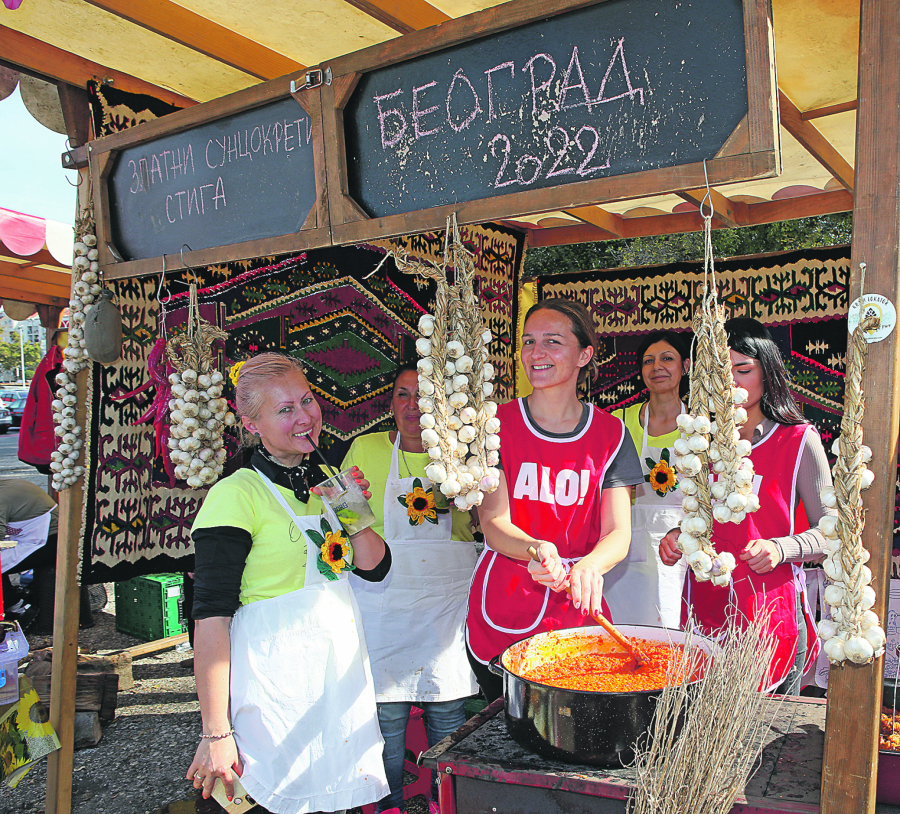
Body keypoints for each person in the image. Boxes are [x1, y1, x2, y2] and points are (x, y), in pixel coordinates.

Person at [187, 353, 391, 813]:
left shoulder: (325, 480)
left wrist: (353, 512)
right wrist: (216, 732)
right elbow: (211, 621)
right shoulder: (235, 495)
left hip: (332, 688)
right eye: (284, 410)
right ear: (251, 424)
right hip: (270, 693)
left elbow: (376, 568)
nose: (305, 417)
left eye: (308, 400)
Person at [466, 298, 643, 702]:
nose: (536, 353)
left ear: (585, 354)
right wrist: (535, 548)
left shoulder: (611, 435)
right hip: (508, 597)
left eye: (553, 341)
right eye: (528, 341)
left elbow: (618, 532)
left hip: (577, 603)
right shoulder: (494, 427)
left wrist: (590, 567)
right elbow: (493, 524)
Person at [660, 318, 834, 694]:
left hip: (770, 611)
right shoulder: (697, 442)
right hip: (705, 609)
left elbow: (833, 534)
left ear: (767, 372)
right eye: (721, 373)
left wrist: (780, 548)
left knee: (766, 744)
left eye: (743, 369)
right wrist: (679, 537)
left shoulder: (798, 440)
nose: (731, 382)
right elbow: (701, 520)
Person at [342, 363, 478, 814]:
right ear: (391, 404)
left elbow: (479, 523)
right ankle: (388, 806)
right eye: (403, 395)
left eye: (423, 396)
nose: (412, 406)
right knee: (386, 719)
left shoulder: (461, 455)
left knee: (448, 714)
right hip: (385, 602)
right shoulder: (365, 448)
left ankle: (450, 805)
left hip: (444, 604)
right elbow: (343, 516)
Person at [605, 330, 692, 628]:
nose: (657, 367)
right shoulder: (619, 422)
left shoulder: (701, 426)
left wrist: (686, 533)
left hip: (678, 550)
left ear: (686, 366)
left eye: (667, 359)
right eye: (648, 361)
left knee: (668, 634)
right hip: (624, 553)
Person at [0, 478, 92, 631]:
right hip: (41, 538)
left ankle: (17, 607)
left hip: (52, 542)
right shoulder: (7, 486)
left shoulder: (4, 495)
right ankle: (13, 602)